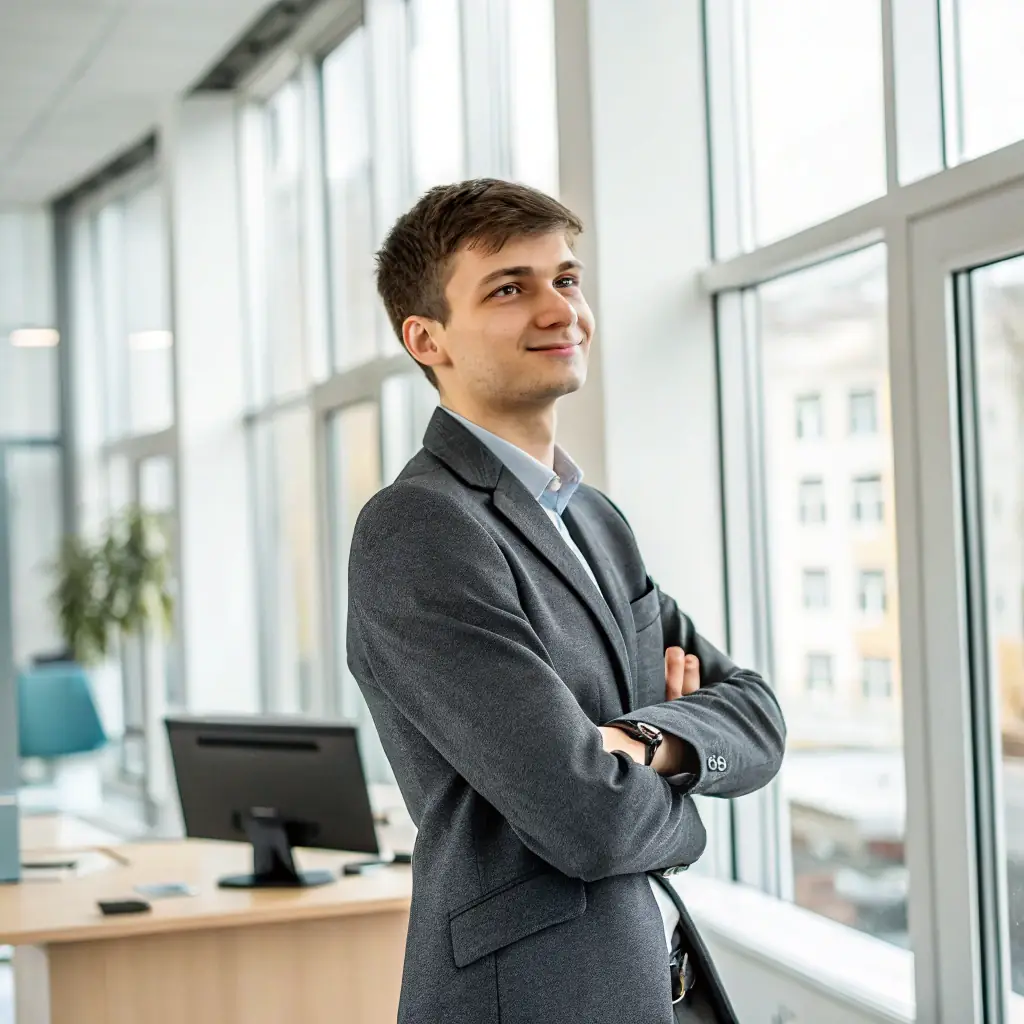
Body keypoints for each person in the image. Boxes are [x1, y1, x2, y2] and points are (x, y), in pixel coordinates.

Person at [346, 178, 786, 1023]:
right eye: (510, 288)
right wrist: (685, 803)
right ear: (426, 337)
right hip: (536, 996)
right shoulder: (418, 529)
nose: (560, 311)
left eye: (568, 279)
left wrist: (642, 740)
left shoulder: (593, 519)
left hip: (658, 977)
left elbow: (759, 716)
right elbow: (588, 820)